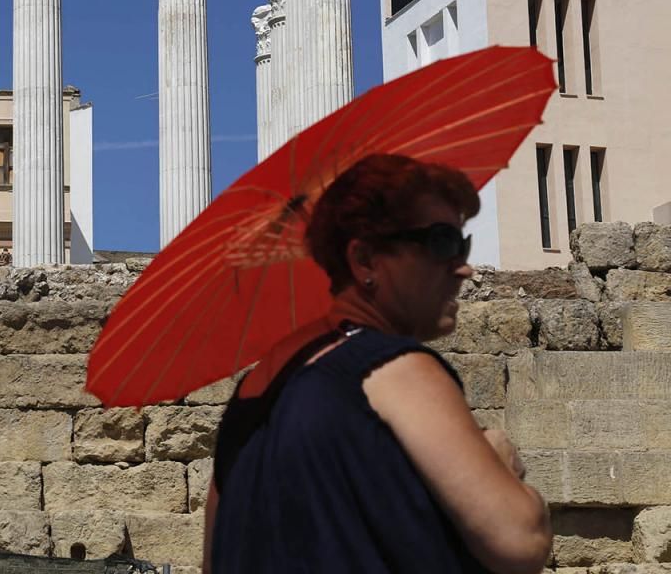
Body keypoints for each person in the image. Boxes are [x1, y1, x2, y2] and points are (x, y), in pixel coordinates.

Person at [205, 154, 552, 574]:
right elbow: (521, 541)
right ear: (365, 260)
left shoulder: (251, 396)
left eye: (464, 244)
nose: (464, 267)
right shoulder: (394, 370)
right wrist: (498, 462)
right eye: (442, 243)